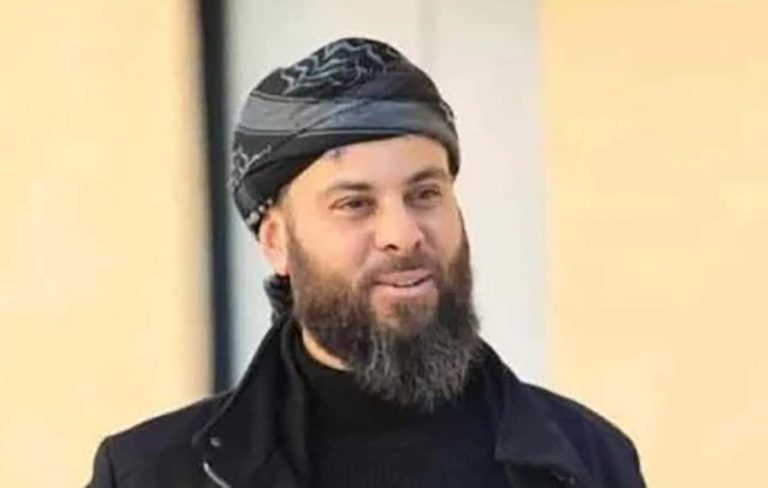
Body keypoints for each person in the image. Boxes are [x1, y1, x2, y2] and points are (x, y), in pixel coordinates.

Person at [87, 37, 645, 488]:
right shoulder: (152, 475)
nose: (403, 235)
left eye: (425, 194)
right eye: (354, 204)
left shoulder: (589, 461)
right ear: (277, 242)